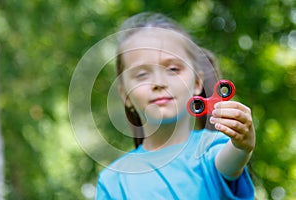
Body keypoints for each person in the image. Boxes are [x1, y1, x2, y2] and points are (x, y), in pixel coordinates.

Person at [95, 12, 255, 199]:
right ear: (125, 95)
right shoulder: (113, 181)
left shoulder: (212, 147)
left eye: (172, 69)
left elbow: (231, 160)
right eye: (142, 75)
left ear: (197, 83)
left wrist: (241, 145)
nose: (158, 82)